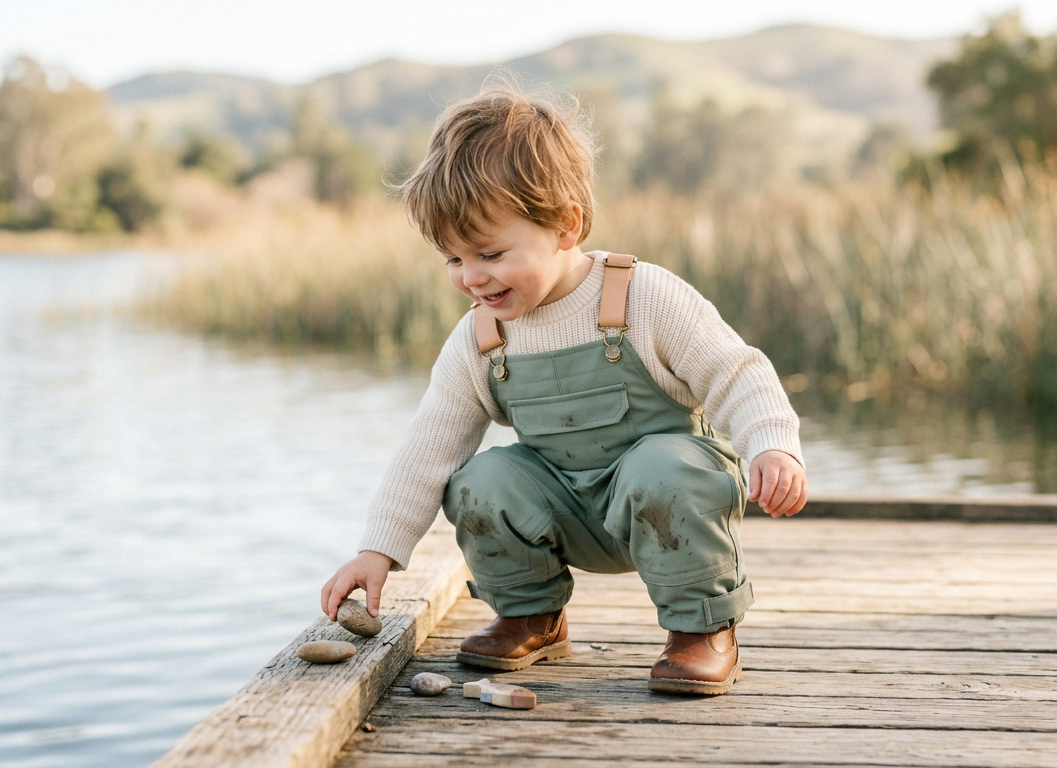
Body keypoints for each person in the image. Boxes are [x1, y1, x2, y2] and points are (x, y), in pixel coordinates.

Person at [321, 84, 807, 695]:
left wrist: (773, 444)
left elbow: (738, 372)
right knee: (479, 480)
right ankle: (532, 614)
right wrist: (379, 550)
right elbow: (429, 446)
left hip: (662, 502)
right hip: (563, 510)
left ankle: (700, 629)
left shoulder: (642, 297)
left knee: (663, 466)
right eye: (452, 259)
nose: (471, 278)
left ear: (565, 225)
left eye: (490, 253)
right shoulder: (481, 338)